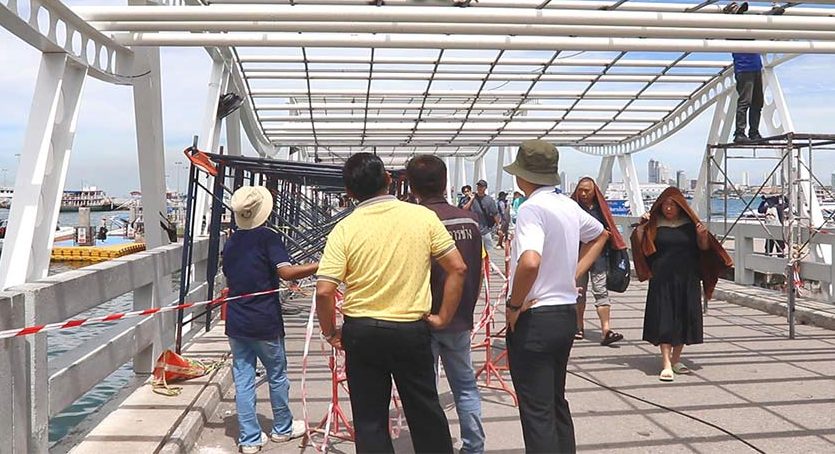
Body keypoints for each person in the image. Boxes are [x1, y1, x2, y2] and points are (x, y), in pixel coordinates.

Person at [315, 153, 467, 453]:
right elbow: (458, 268)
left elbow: (323, 291)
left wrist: (331, 331)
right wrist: (443, 317)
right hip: (411, 329)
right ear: (388, 179)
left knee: (370, 419)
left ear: (349, 191)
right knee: (425, 412)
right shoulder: (422, 217)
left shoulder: (345, 228)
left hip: (362, 331)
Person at [503, 140, 610, 453]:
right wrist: (571, 272)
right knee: (554, 401)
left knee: (536, 409)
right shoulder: (567, 205)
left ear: (523, 176)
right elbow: (600, 234)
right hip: (564, 312)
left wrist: (514, 305)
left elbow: (530, 261)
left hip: (535, 317)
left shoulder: (532, 208)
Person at [222, 186, 319, 453]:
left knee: (243, 379)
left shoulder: (231, 242)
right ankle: (282, 428)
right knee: (277, 375)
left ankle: (250, 439)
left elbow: (230, 274)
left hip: (237, 321)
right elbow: (286, 273)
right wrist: (322, 264)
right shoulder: (268, 238)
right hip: (264, 319)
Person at [405, 155, 486, 454]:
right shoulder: (470, 220)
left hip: (422, 318)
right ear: (445, 182)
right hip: (460, 317)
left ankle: (432, 446)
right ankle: (474, 447)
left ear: (412, 186)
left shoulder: (413, 219)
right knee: (465, 386)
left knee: (424, 391)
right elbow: (477, 268)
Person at [631, 187, 732, 382]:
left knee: (684, 317)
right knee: (665, 317)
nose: (669, 208)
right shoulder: (654, 224)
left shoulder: (690, 224)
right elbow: (640, 245)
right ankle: (666, 363)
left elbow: (703, 249)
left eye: (673, 205)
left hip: (687, 277)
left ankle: (676, 359)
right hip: (662, 277)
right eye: (666, 205)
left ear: (681, 207)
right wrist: (642, 226)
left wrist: (702, 236)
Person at [570, 177, 627, 346]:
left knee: (600, 291)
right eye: (580, 190)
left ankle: (606, 330)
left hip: (599, 257)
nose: (583, 193)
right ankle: (578, 327)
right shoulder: (572, 208)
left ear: (594, 191)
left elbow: (610, 227)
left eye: (587, 190)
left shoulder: (601, 210)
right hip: (577, 257)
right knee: (578, 293)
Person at [731, 51, 764, 144]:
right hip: (744, 68)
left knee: (758, 102)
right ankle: (739, 133)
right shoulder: (733, 36)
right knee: (745, 101)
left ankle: (754, 133)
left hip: (756, 68)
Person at [468, 179, 501, 249]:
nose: (479, 188)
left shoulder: (489, 200)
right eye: (478, 186)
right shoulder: (471, 198)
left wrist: (499, 226)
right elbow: (464, 209)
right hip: (473, 230)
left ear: (485, 188)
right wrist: (471, 199)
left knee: (489, 251)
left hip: (485, 230)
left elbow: (495, 214)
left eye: (481, 186)